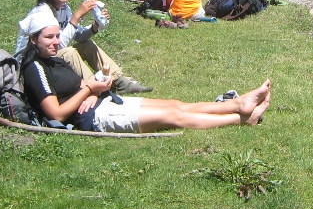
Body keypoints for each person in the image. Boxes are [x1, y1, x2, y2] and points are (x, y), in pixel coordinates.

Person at [20, 11, 270, 133]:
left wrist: (93, 93)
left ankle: (238, 103)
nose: (55, 42)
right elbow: (56, 113)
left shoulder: (53, 59)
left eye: (56, 36)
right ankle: (241, 118)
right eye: (48, 37)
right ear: (33, 39)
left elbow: (78, 89)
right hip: (92, 120)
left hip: (103, 103)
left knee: (175, 103)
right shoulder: (35, 67)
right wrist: (88, 89)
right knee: (174, 116)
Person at [16, 0, 151, 93]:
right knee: (69, 52)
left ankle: (120, 82)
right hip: (32, 64)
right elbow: (57, 46)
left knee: (87, 45)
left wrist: (95, 26)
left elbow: (79, 36)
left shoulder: (63, 8)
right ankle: (95, 87)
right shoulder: (43, 13)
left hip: (47, 58)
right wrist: (77, 16)